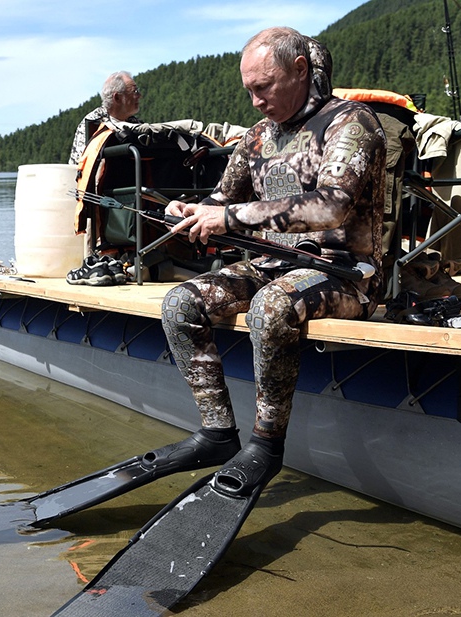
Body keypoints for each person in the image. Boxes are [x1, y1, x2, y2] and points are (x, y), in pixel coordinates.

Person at [156, 27, 387, 492]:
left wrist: (230, 217)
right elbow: (223, 198)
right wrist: (189, 210)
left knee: (271, 307)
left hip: (344, 274)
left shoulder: (351, 122)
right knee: (180, 303)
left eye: (264, 87)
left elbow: (331, 206)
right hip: (271, 265)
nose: (256, 101)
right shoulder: (259, 136)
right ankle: (218, 433)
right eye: (249, 91)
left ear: (299, 70)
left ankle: (265, 445)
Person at [68, 71, 142, 165]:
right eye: (135, 91)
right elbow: (81, 165)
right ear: (117, 97)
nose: (139, 96)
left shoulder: (135, 123)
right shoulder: (92, 123)